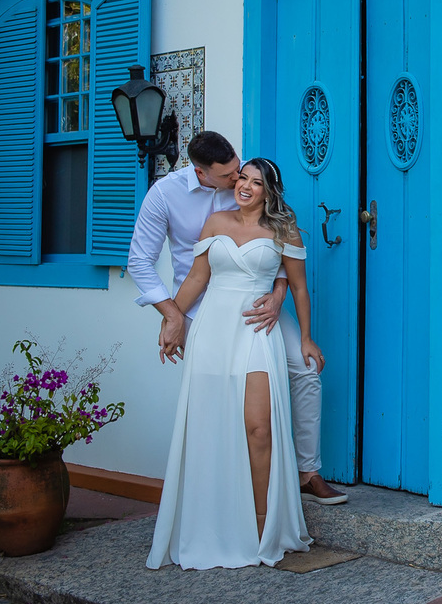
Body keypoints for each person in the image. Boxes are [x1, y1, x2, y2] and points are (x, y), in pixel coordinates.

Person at [127, 131, 346, 505]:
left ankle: (307, 472)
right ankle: (221, 489)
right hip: (197, 308)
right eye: (231, 176)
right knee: (213, 395)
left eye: (242, 173)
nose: (238, 181)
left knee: (304, 367)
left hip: (257, 305)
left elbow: (279, 250)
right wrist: (172, 317)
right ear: (202, 173)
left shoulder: (251, 183)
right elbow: (142, 263)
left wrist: (277, 296)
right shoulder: (165, 195)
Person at [147, 158, 312, 568]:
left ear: (269, 192)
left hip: (255, 332)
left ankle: (262, 526)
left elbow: (298, 286)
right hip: (212, 334)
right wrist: (172, 321)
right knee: (210, 428)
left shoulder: (283, 229)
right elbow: (197, 278)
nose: (245, 186)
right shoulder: (216, 222)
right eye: (242, 178)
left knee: (259, 428)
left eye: (256, 182)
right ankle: (213, 524)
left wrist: (306, 338)